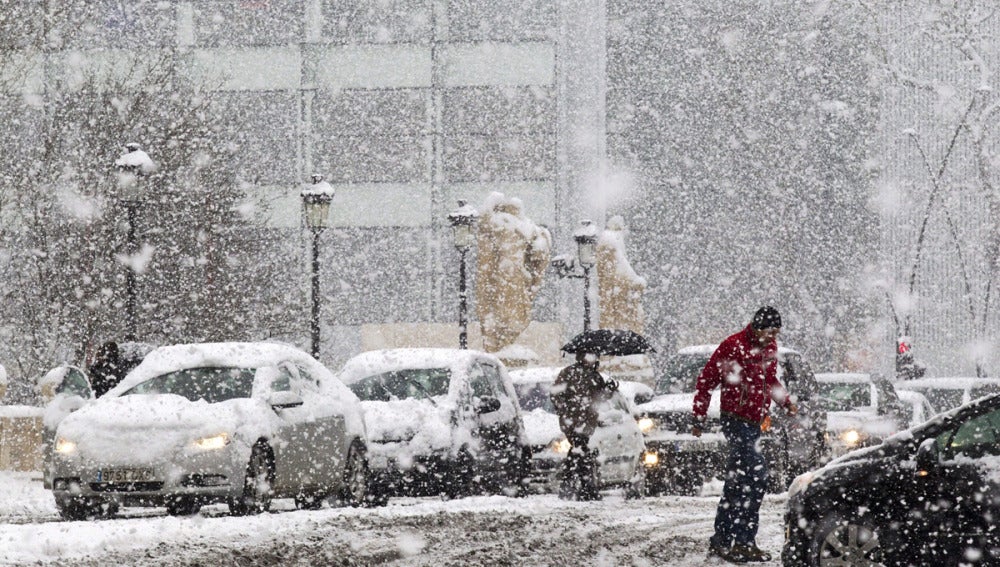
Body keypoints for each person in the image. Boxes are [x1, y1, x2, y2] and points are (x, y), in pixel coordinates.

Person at [691, 306, 797, 563]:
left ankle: (724, 540)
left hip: (755, 422)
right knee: (756, 477)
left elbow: (770, 380)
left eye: (776, 332)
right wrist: (698, 416)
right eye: (768, 331)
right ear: (757, 327)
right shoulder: (733, 346)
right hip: (736, 420)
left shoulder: (769, 348)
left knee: (738, 482)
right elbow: (707, 380)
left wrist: (786, 402)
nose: (771, 337)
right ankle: (742, 541)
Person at [550, 350, 617, 501]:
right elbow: (555, 395)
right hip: (572, 421)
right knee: (580, 450)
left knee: (578, 452)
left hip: (587, 422)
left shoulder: (595, 376)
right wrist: (567, 409)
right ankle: (585, 488)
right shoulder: (568, 373)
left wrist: (609, 390)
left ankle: (572, 487)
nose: (593, 360)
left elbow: (601, 399)